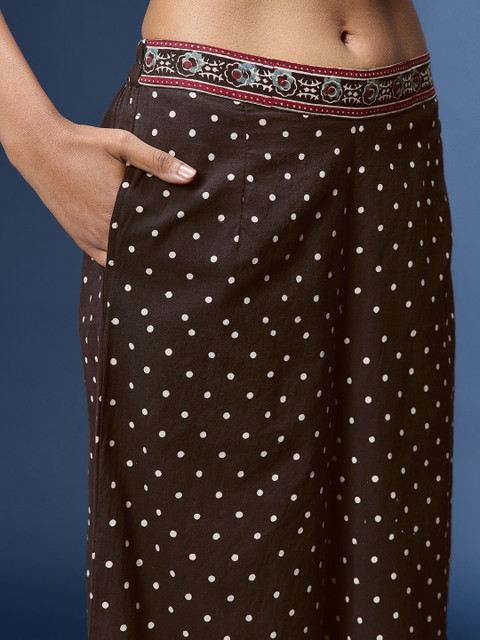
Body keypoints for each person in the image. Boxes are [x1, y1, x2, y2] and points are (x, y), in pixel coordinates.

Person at [0, 1, 455, 638]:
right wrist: (33, 138)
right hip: (219, 146)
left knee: (391, 580)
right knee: (217, 582)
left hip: (398, 150)